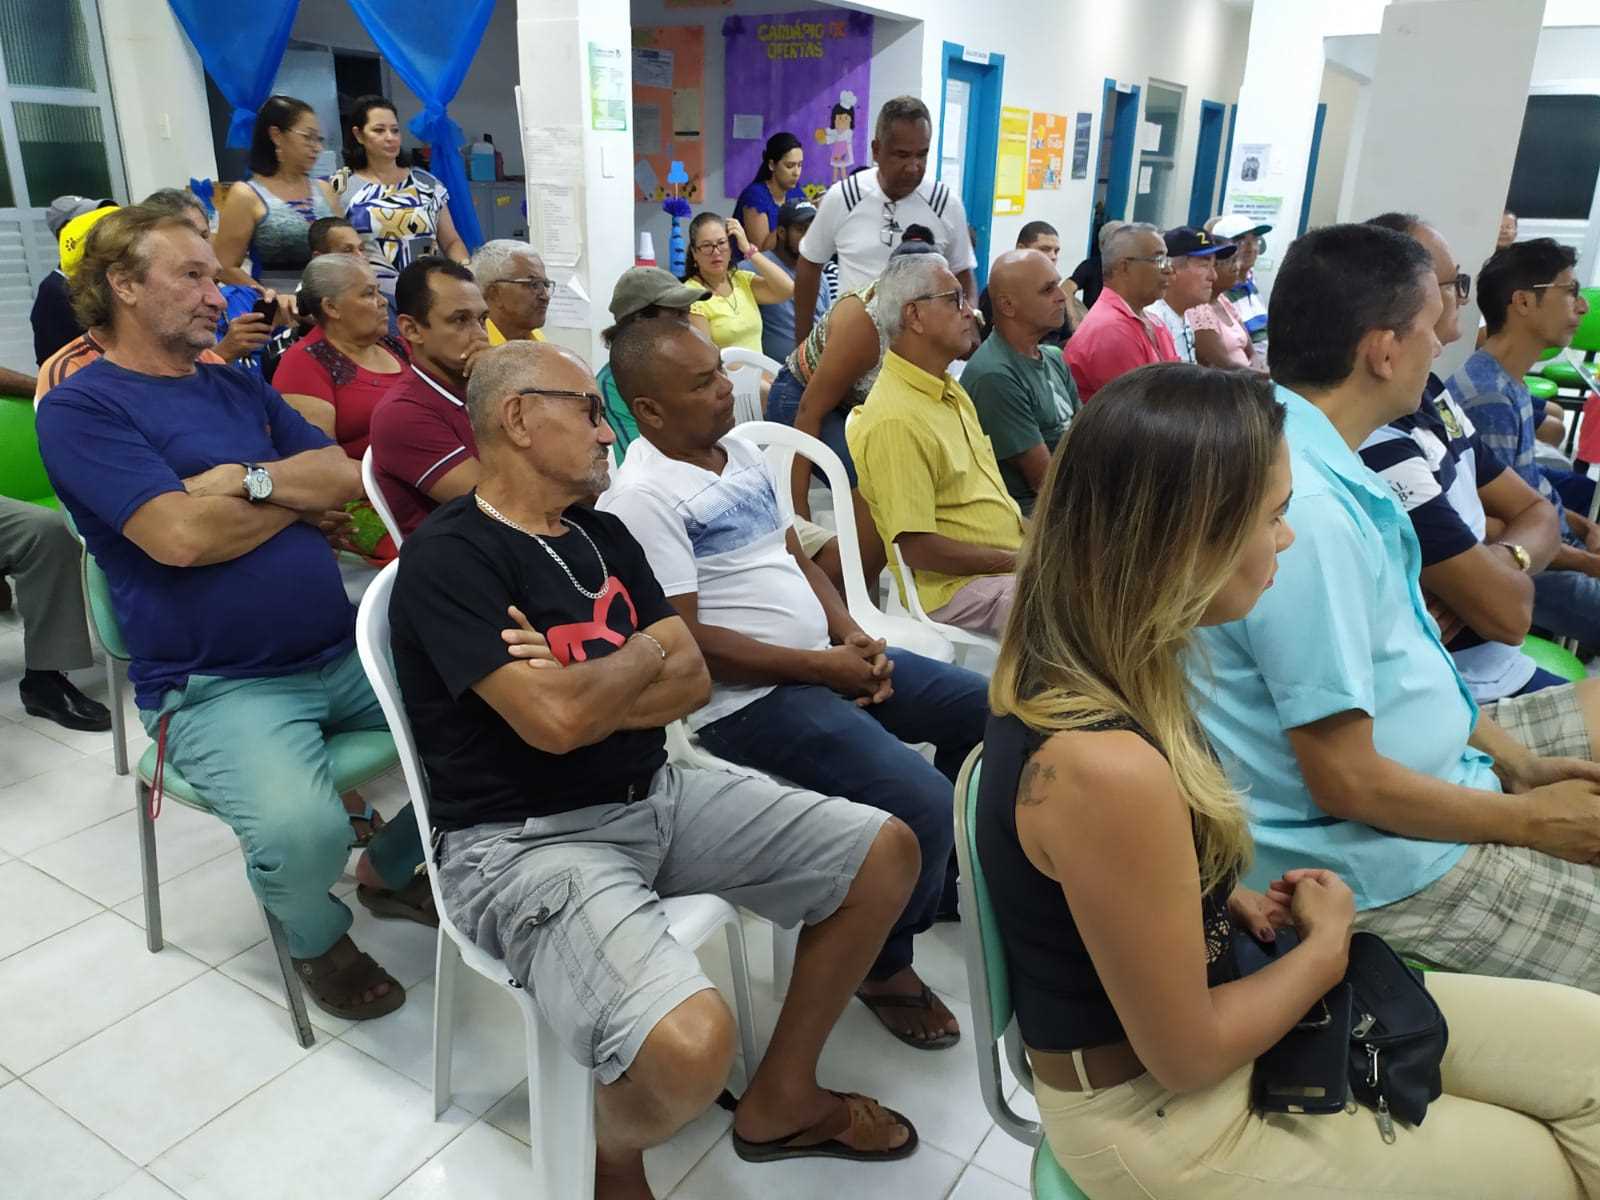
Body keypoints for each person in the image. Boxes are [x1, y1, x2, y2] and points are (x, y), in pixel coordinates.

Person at [982, 360, 1600, 1199]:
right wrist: (1327, 946)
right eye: (1272, 516)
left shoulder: (1111, 660)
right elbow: (1188, 1054)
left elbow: (1099, 889)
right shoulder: (1104, 766)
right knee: (1551, 1167)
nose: (1288, 539)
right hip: (1169, 1118)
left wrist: (1208, 894)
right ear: (1185, 538)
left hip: (1211, 1019)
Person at [391, 338, 923, 1197]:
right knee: (690, 1049)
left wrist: (602, 675)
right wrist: (639, 658)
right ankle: (609, 1152)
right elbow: (557, 724)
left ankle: (782, 1098)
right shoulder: (452, 556)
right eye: (588, 411)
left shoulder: (602, 533)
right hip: (523, 843)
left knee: (885, 851)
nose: (609, 432)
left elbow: (691, 678)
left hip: (655, 792)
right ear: (518, 418)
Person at [35, 203, 429, 1020]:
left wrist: (245, 482)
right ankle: (316, 936)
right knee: (301, 832)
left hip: (337, 651)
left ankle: (389, 871)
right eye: (192, 275)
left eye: (214, 277)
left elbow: (343, 475)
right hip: (215, 684)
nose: (219, 295)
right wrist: (291, 503)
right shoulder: (82, 408)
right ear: (123, 285)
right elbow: (179, 538)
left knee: (492, 718)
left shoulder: (233, 385)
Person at [1191, 221, 1600, 990]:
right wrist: (1528, 822)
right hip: (1383, 860)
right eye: (1431, 324)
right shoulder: (1306, 513)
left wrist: (1518, 766)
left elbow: (1411, 659)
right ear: (1383, 351)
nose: (1443, 342)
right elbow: (1347, 782)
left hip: (1443, 776)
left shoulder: (1316, 454)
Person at [600, 318, 988, 1047]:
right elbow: (688, 643)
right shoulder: (642, 499)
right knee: (922, 799)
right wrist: (820, 667)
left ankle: (926, 886)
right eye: (703, 384)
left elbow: (795, 557)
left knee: (985, 710)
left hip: (821, 661)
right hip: (748, 703)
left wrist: (848, 632)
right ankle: (883, 966)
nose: (726, 389)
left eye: (719, 372)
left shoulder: (740, 450)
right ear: (649, 410)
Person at [1358, 213, 1565, 702]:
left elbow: (1537, 511)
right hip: (1459, 689)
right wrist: (1494, 577)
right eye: (1454, 285)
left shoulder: (1430, 392)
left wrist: (1499, 559)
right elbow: (1509, 615)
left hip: (1496, 669)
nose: (1462, 301)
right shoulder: (1378, 437)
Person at [847, 252, 1023, 637]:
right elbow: (919, 549)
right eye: (955, 300)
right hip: (956, 588)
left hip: (1004, 565)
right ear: (914, 315)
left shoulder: (949, 390)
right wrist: (1020, 561)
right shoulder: (896, 418)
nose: (970, 312)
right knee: (1073, 607)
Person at [1452, 238, 1600, 649]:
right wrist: (1588, 563)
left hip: (1553, 549)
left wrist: (1583, 526)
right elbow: (1498, 528)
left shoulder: (1507, 382)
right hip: (1534, 569)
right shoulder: (1489, 398)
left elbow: (1528, 487)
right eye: (1570, 291)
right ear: (1522, 302)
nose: (1582, 307)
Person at [792, 96, 977, 341]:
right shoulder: (843, 197)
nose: (913, 167)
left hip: (921, 350)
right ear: (876, 150)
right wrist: (803, 341)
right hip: (851, 346)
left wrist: (969, 324)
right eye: (902, 155)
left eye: (922, 155)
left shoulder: (946, 203)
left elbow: (963, 273)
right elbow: (809, 264)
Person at [367, 257, 490, 539]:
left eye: (482, 319)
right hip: (466, 557)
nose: (480, 336)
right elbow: (501, 508)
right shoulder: (402, 414)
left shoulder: (479, 388)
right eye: (460, 320)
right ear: (411, 329)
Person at [963, 249, 1078, 517]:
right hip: (1033, 517)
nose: (1062, 296)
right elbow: (1045, 483)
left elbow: (1085, 438)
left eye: (1058, 285)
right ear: (1007, 306)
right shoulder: (995, 375)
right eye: (1047, 290)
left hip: (1069, 500)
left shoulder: (1053, 357)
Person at [270, 254, 407, 458]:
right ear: (331, 307)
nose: (383, 301)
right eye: (369, 294)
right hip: (370, 475)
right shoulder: (302, 364)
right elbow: (320, 462)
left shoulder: (398, 346)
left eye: (378, 291)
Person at [331, 95, 468, 287]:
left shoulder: (426, 183)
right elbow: (335, 251)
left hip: (427, 291)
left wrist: (466, 271)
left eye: (395, 130)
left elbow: (451, 241)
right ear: (359, 135)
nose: (390, 137)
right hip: (371, 293)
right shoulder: (342, 186)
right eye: (379, 130)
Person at [214, 95, 341, 293]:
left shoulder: (324, 189)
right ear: (276, 135)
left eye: (319, 139)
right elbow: (225, 266)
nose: (317, 147)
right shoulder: (247, 194)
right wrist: (268, 297)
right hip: (281, 302)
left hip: (335, 299)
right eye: (308, 137)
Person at [597, 267, 709, 465]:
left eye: (687, 313)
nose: (687, 325)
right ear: (640, 321)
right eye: (677, 314)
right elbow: (638, 462)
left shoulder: (686, 369)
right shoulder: (612, 384)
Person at [1064, 223, 1178, 401]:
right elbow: (1141, 408)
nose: (1168, 270)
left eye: (1167, 260)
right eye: (1158, 260)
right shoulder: (1110, 329)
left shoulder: (1153, 321)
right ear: (1125, 267)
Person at [683, 214, 793, 354]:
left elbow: (787, 290)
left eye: (722, 243)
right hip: (725, 369)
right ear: (694, 253)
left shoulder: (741, 279)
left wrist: (748, 250)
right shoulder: (691, 294)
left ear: (730, 247)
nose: (716, 251)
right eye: (706, 246)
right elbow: (704, 356)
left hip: (759, 367)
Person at [31, 195, 113, 364]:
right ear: (67, 231)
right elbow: (58, 361)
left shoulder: (103, 278)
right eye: (92, 220)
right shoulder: (54, 291)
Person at [757, 200, 834, 363]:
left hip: (817, 363)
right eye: (800, 230)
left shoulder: (818, 274)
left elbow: (827, 324)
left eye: (812, 230)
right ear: (781, 232)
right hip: (774, 369)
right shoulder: (755, 267)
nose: (808, 237)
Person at [977, 221, 1075, 346]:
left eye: (1056, 251)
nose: (1053, 256)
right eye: (1044, 249)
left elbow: (1066, 338)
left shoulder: (1057, 295)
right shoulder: (996, 292)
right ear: (1021, 249)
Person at [1145, 227, 1233, 364]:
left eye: (1214, 266)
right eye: (1204, 265)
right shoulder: (1153, 322)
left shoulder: (1181, 315)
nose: (1213, 276)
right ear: (1171, 270)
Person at [1188, 240, 1263, 371]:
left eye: (1235, 260)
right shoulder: (1197, 309)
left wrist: (1259, 368)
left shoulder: (1223, 300)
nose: (1236, 267)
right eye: (1228, 262)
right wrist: (1262, 375)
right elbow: (1223, 365)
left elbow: (1251, 352)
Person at [467, 238, 551, 348]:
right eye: (534, 285)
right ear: (495, 294)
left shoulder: (537, 339)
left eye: (546, 284)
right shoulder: (472, 346)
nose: (546, 297)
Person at [734, 132, 806, 253]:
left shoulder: (796, 192)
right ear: (772, 165)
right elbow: (761, 251)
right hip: (754, 263)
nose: (797, 172)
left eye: (800, 165)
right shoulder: (755, 196)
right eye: (790, 166)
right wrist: (795, 217)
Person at [1212, 215, 1271, 358]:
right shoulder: (1218, 293)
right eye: (1241, 242)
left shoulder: (1251, 283)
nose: (1250, 248)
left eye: (1255, 240)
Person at [1067, 217, 1127, 315]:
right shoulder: (1091, 266)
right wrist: (1074, 317)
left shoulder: (1132, 269)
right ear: (1102, 245)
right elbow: (1066, 289)